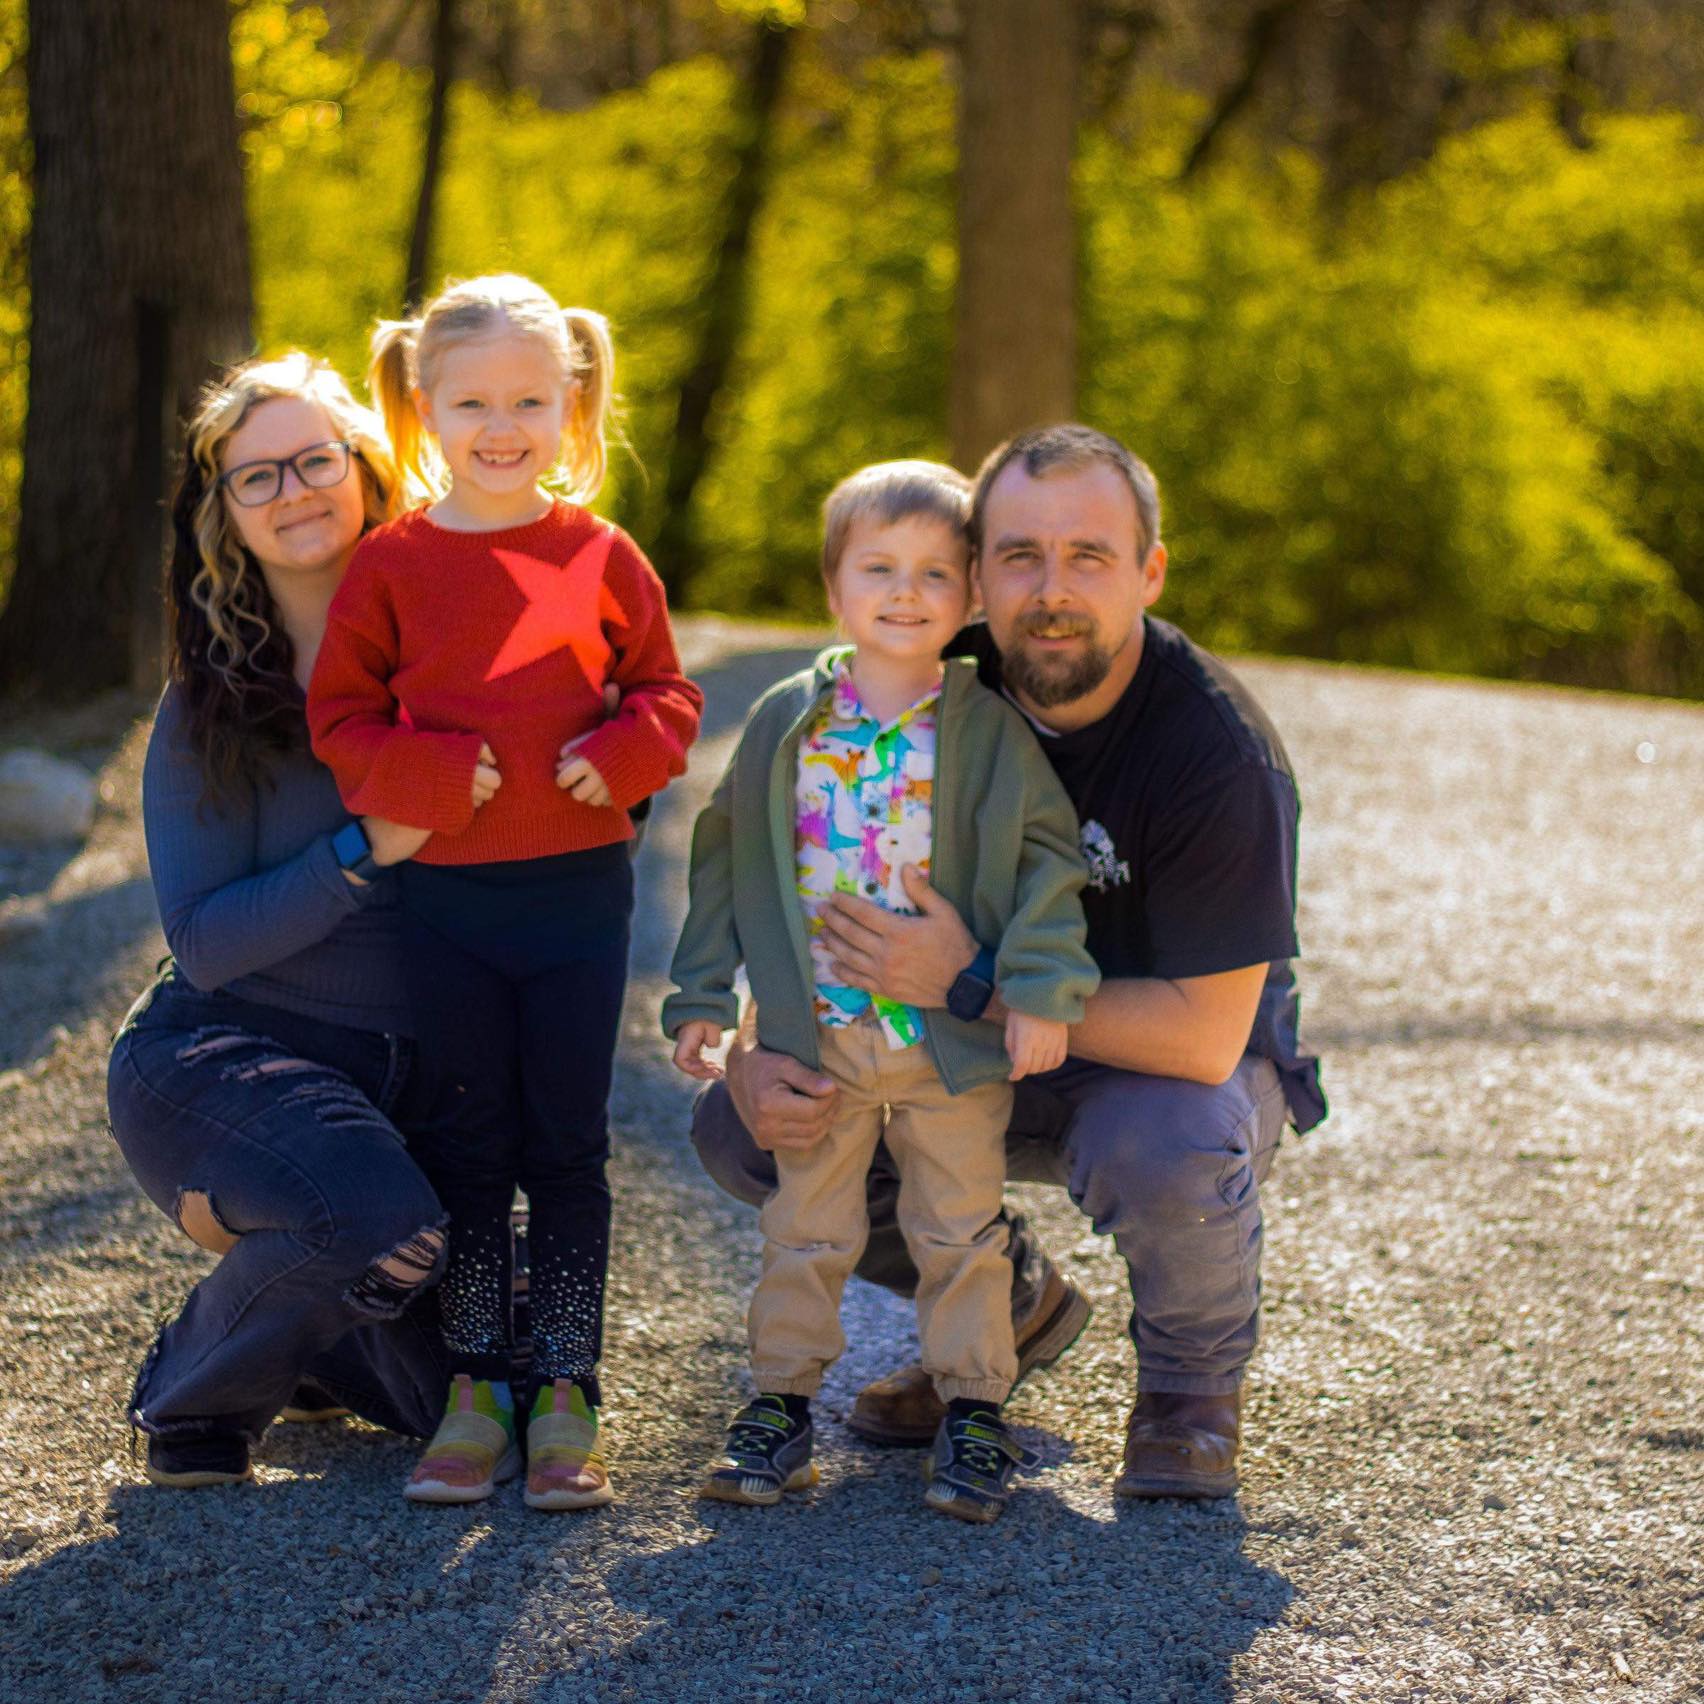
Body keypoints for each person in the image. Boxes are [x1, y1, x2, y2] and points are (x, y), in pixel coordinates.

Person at [691, 424, 1327, 1500]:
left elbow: (1202, 1037)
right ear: (977, 574)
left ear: (1150, 573)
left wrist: (972, 981)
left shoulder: (1215, 754)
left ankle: (1188, 1396)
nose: (1053, 589)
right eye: (1021, 555)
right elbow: (813, 875)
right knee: (748, 1121)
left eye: (1090, 556)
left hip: (1155, 1064)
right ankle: (1011, 1306)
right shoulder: (925, 682)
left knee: (1165, 1141)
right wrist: (756, 1042)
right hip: (957, 1044)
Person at [308, 273, 702, 1511]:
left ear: (570, 403)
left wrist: (626, 753)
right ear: (424, 406)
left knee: (568, 1150)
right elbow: (341, 720)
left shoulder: (602, 553)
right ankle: (478, 1386)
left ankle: (567, 1387)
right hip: (445, 908)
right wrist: (427, 775)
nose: (501, 426)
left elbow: (670, 694)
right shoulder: (391, 565)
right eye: (473, 401)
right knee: (467, 1151)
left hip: (579, 904)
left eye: (530, 400)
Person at [665, 461, 1100, 1524]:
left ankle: (975, 1409)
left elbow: (1049, 859)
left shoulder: (987, 730)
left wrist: (1039, 986)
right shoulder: (788, 721)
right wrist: (701, 995)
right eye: (879, 568)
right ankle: (779, 1407)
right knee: (805, 1229)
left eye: (934, 573)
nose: (906, 592)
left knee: (959, 1232)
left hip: (948, 1043)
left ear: (971, 595)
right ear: (834, 585)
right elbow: (723, 853)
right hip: (813, 1037)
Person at [109, 352, 453, 1489]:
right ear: (225, 513)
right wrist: (365, 850)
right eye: (257, 476)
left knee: (474, 1399)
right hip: (222, 1054)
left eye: (315, 460)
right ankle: (190, 1393)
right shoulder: (205, 707)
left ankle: (311, 1331)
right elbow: (204, 943)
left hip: (407, 1079)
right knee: (374, 1216)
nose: (293, 490)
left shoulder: (446, 658)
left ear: (367, 470)